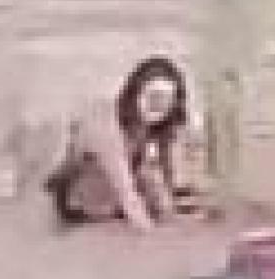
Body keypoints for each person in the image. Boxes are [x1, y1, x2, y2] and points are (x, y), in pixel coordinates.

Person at [40, 55, 196, 234]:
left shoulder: (148, 122)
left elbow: (166, 174)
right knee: (144, 185)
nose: (159, 106)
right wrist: (156, 234)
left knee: (152, 181)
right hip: (78, 206)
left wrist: (171, 211)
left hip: (116, 194)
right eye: (153, 96)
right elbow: (126, 192)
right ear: (134, 93)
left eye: (167, 101)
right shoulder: (104, 126)